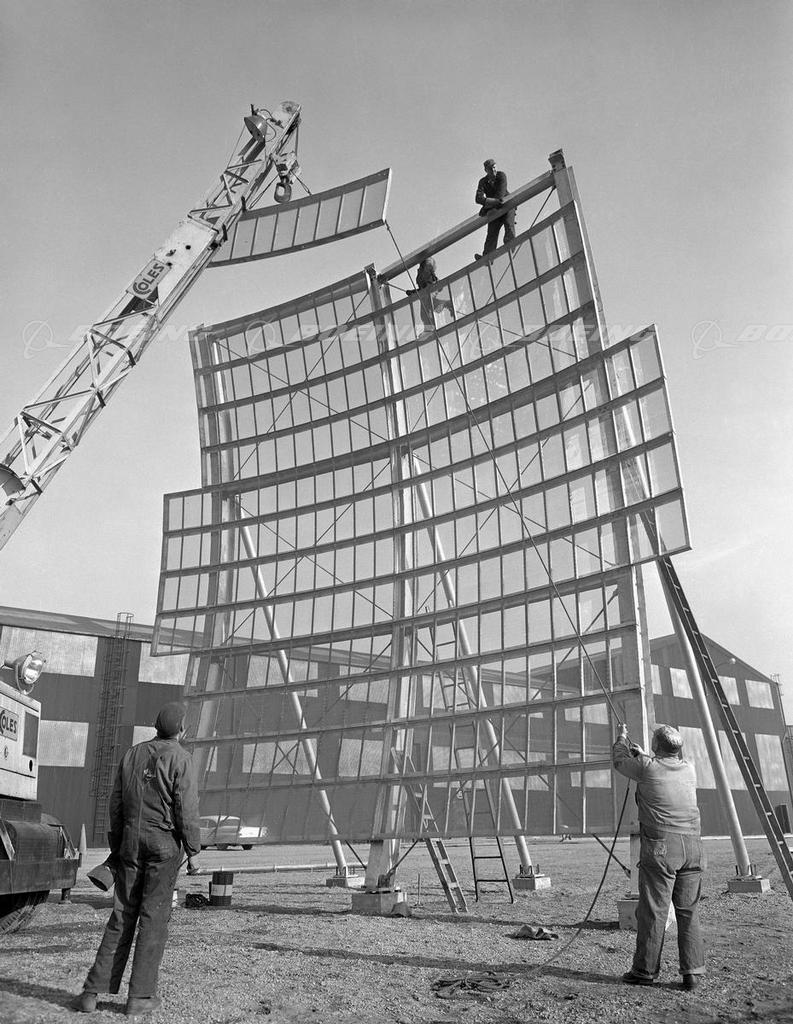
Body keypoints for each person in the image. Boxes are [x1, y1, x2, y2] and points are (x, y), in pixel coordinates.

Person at [74, 702, 202, 1017]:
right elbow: (186, 808)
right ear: (181, 729)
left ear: (157, 726)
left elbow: (116, 804)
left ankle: (91, 992)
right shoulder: (181, 758)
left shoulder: (132, 755)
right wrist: (193, 850)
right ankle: (140, 997)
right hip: (163, 845)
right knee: (153, 918)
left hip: (130, 842)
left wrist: (119, 847)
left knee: (122, 914)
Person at [612, 722, 706, 992]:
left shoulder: (646, 767)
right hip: (693, 847)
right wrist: (643, 754)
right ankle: (692, 973)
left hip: (662, 847)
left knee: (654, 910)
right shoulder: (688, 768)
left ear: (656, 746)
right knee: (688, 911)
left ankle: (644, 971)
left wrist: (622, 737)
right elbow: (661, 766)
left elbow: (619, 760)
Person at [474, 158, 516, 258]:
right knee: (491, 234)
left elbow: (500, 196)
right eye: (490, 168)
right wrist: (493, 203)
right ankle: (487, 257)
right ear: (486, 170)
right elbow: (478, 198)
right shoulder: (483, 182)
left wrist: (486, 205)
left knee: (509, 227)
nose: (493, 170)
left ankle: (511, 247)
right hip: (494, 209)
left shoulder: (501, 175)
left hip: (507, 206)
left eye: (494, 167)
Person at [407, 256, 454, 333]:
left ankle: (429, 329)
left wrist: (430, 285)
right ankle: (446, 304)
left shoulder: (426, 267)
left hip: (431, 288)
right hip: (429, 289)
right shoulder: (423, 270)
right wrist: (413, 292)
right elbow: (422, 289)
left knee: (426, 308)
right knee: (427, 307)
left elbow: (429, 282)